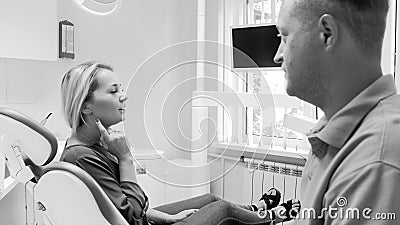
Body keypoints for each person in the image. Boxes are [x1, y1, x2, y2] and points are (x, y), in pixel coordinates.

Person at [59, 61, 300, 225]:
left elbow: (118, 207)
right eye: (113, 92)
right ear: (86, 106)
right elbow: (130, 218)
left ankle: (253, 209)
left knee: (211, 200)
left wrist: (165, 218)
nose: (124, 96)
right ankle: (267, 216)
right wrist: (125, 159)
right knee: (223, 211)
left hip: (146, 220)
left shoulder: (90, 146)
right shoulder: (82, 157)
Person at [274, 0, 400, 224]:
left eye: (285, 37)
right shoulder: (339, 131)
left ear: (327, 33)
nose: (278, 56)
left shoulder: (374, 163)